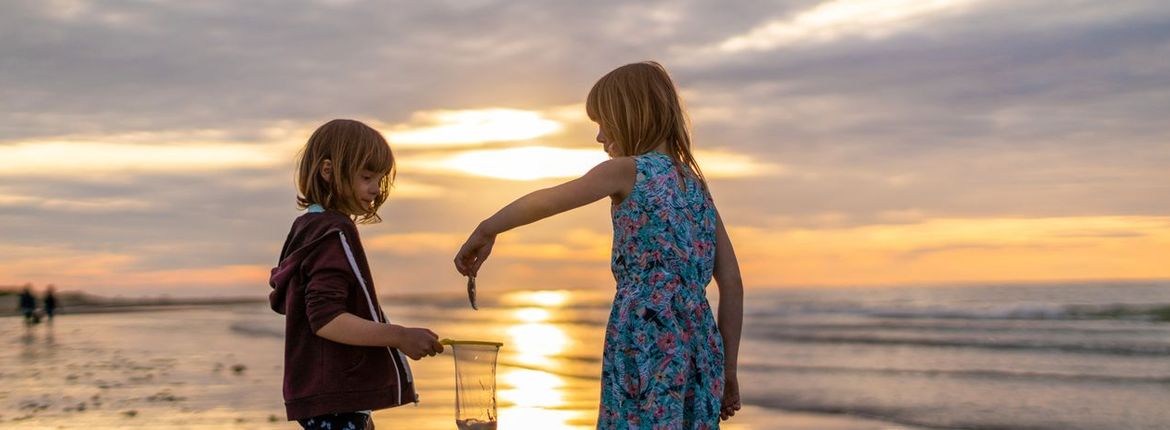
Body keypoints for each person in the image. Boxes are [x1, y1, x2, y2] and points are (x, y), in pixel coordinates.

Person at [454, 61, 744, 429]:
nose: (599, 136)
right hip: (700, 347)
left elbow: (549, 200)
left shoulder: (627, 170)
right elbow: (732, 284)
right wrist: (727, 369)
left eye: (602, 122)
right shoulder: (697, 188)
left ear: (630, 114)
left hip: (645, 337)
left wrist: (487, 228)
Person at [269, 119, 445, 430]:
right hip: (337, 398)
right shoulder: (334, 230)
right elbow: (325, 319)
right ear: (328, 171)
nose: (375, 190)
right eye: (366, 177)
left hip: (323, 396)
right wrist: (400, 336)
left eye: (379, 179)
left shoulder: (307, 227)